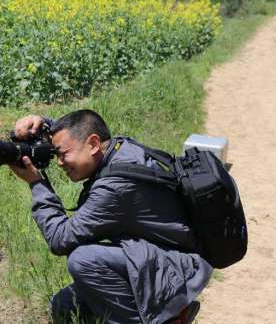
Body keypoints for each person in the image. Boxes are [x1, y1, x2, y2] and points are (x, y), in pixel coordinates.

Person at [10, 110, 211, 324]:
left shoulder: (114, 188)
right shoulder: (118, 148)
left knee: (83, 260)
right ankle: (171, 313)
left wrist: (36, 184)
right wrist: (43, 126)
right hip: (162, 255)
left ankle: (165, 318)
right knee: (64, 305)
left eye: (62, 153)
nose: (59, 162)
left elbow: (60, 239)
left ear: (94, 144)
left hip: (180, 269)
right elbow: (79, 133)